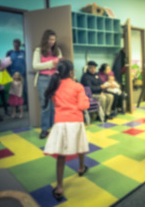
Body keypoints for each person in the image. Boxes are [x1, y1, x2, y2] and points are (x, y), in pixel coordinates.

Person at [43, 60, 90, 201]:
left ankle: (59, 187)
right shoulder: (77, 86)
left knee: (61, 155)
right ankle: (81, 168)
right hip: (76, 122)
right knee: (80, 145)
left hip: (61, 123)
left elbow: (56, 102)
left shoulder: (54, 86)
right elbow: (83, 105)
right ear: (71, 72)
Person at [33, 29, 63, 139]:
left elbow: (60, 65)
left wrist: (60, 64)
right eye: (50, 39)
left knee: (56, 105)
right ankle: (44, 129)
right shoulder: (38, 50)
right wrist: (51, 63)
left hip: (55, 79)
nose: (52, 41)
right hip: (43, 79)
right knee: (45, 106)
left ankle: (55, 128)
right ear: (45, 39)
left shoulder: (58, 50)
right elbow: (35, 66)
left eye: (54, 39)